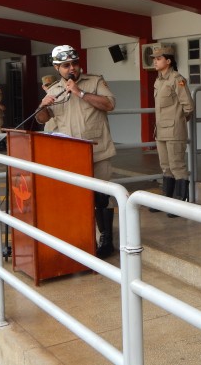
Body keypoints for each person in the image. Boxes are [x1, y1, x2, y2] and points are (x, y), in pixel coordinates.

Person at [35, 45, 117, 259]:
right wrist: (43, 106)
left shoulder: (95, 82)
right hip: (71, 155)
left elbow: (109, 104)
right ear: (57, 68)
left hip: (98, 150)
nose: (72, 68)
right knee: (77, 198)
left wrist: (80, 92)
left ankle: (106, 239)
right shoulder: (54, 90)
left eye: (75, 63)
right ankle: (83, 238)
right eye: (66, 65)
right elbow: (42, 119)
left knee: (102, 197)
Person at [149, 44, 195, 217]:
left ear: (168, 61)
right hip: (161, 130)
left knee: (177, 167)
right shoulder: (159, 80)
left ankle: (180, 206)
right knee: (166, 167)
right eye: (154, 59)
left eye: (158, 58)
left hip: (174, 131)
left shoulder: (177, 79)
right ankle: (167, 202)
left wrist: (178, 122)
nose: (155, 61)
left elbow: (188, 106)